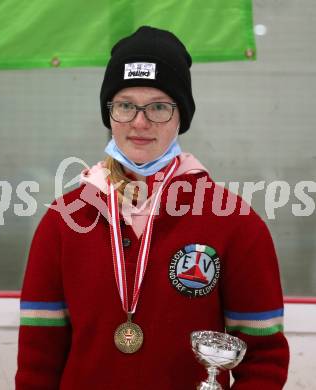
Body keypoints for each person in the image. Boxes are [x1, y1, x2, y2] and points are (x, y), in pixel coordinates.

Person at [15, 26, 289, 389]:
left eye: (159, 106)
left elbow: (264, 360)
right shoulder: (63, 221)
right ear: (109, 114)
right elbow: (38, 359)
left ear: (181, 117)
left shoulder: (235, 222)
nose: (140, 122)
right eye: (126, 105)